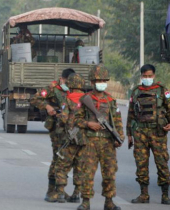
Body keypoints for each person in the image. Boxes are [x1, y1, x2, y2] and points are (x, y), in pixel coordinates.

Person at [75, 64, 124, 210]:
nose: (101, 83)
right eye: (98, 80)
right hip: (90, 142)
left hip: (108, 143)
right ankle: (85, 202)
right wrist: (88, 123)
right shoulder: (85, 99)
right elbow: (76, 120)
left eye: (104, 80)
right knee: (87, 172)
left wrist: (119, 137)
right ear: (92, 82)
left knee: (110, 172)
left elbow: (117, 121)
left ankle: (109, 202)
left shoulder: (111, 100)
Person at [127, 64, 170, 205]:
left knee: (162, 163)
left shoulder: (163, 91)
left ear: (154, 76)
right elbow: (131, 114)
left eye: (150, 76)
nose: (147, 78)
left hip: (158, 133)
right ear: (141, 76)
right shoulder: (136, 92)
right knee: (141, 164)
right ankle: (143, 195)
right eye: (145, 76)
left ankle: (165, 195)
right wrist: (129, 134)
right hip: (140, 134)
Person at [30, 68, 75, 202]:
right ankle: (51, 191)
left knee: (67, 159)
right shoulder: (52, 87)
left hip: (69, 128)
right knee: (58, 157)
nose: (69, 83)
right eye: (68, 81)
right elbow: (35, 99)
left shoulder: (72, 90)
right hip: (56, 127)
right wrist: (47, 107)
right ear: (62, 79)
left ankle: (60, 189)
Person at [46, 73, 86, 203]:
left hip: (68, 137)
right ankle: (76, 193)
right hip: (84, 138)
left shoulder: (67, 99)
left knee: (62, 165)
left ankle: (61, 193)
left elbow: (64, 118)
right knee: (80, 165)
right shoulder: (89, 99)